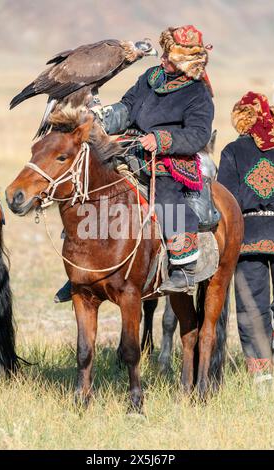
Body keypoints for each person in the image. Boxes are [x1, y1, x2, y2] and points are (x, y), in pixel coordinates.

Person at [55, 25, 215, 302]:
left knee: (167, 201)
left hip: (170, 161)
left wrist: (162, 139)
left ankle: (183, 264)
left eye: (170, 58)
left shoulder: (198, 94)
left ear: (186, 63)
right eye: (164, 54)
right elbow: (127, 108)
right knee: (91, 190)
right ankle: (82, 268)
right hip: (131, 150)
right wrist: (101, 118)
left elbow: (198, 134)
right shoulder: (150, 77)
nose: (163, 59)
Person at [217, 91, 274, 382]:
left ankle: (261, 374)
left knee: (251, 304)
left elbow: (226, 199)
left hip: (246, 237)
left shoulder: (231, 151)